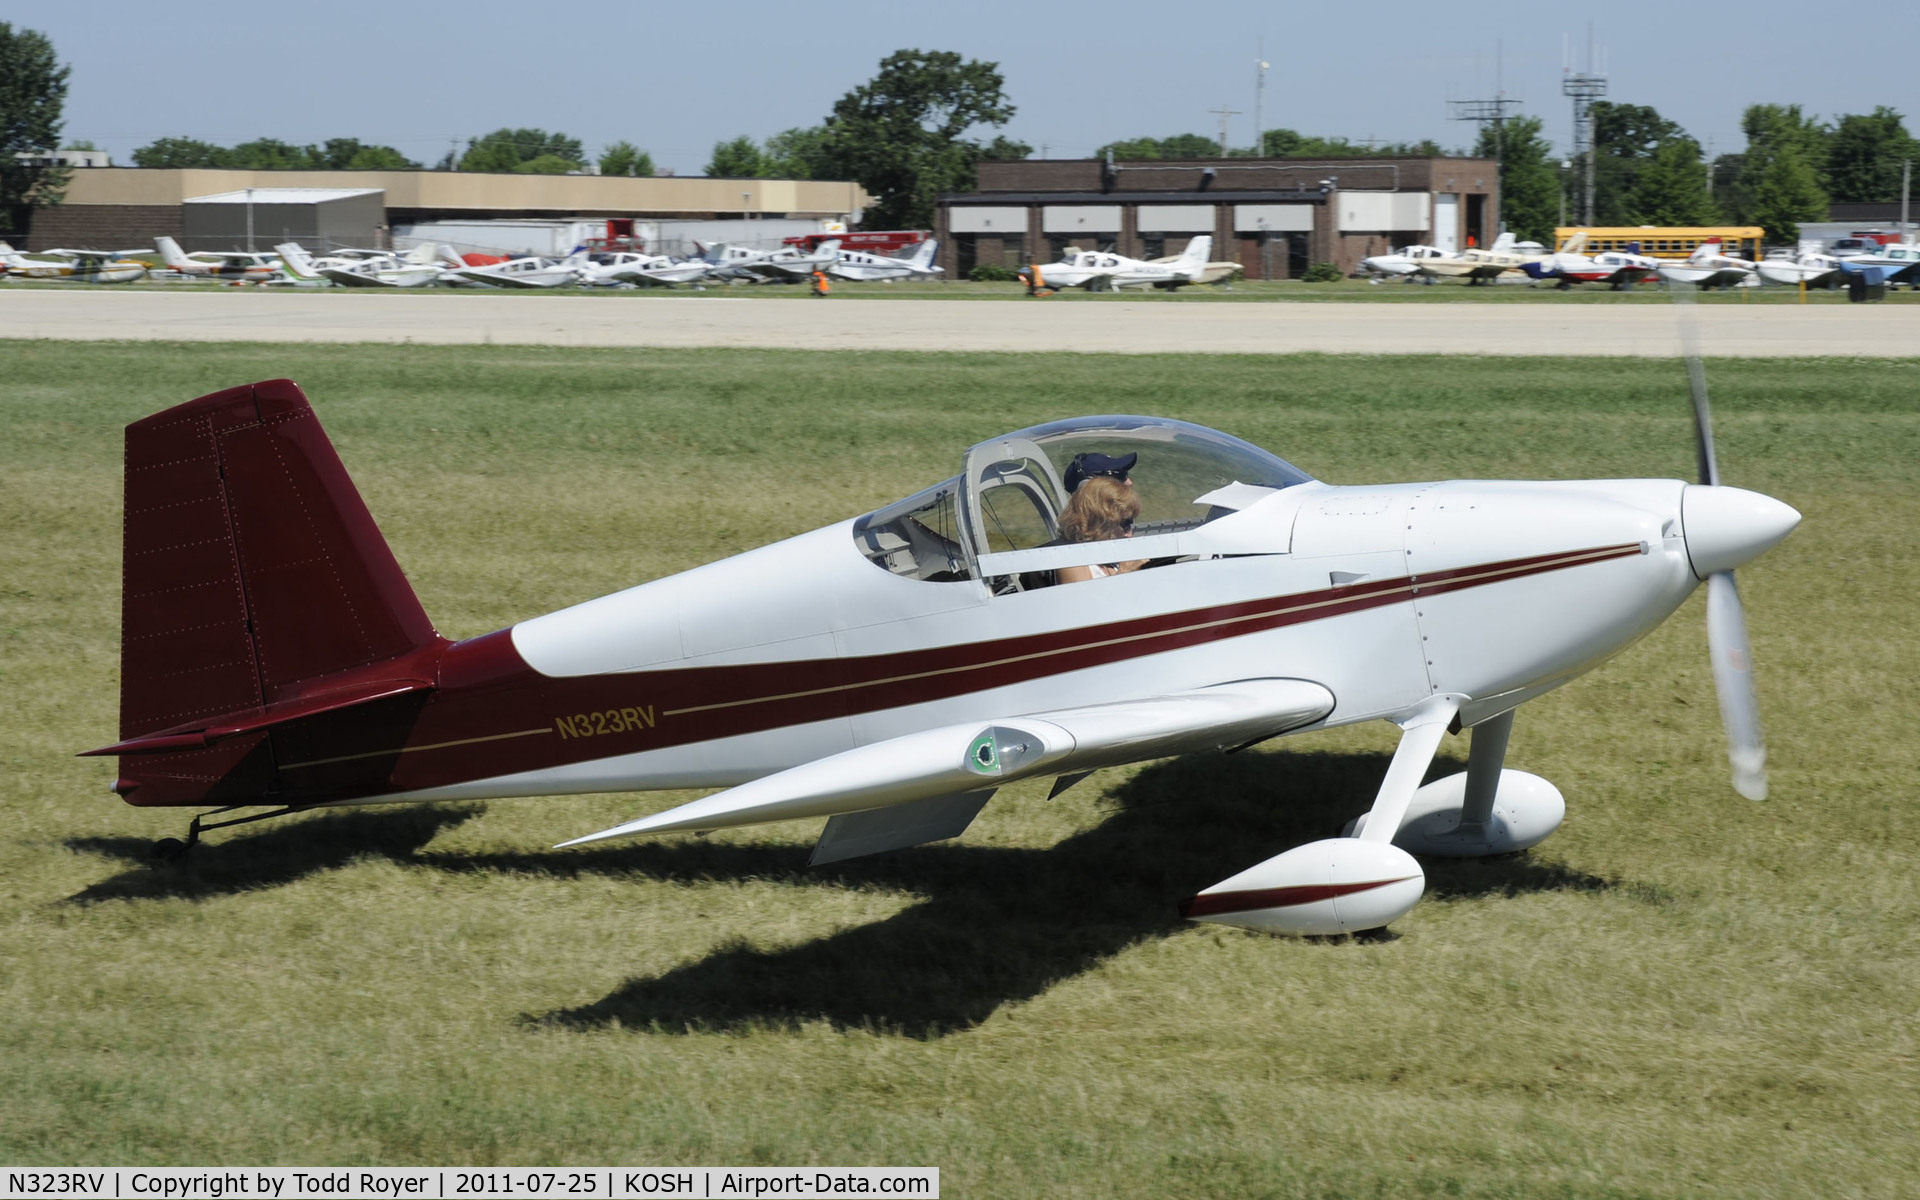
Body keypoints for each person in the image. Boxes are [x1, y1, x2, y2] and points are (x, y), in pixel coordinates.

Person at [1055, 475, 1147, 584]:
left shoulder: (1110, 558)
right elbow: (1081, 600)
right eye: (1125, 523)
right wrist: (1124, 572)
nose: (1129, 533)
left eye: (1131, 522)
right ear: (1101, 522)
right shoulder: (1072, 561)